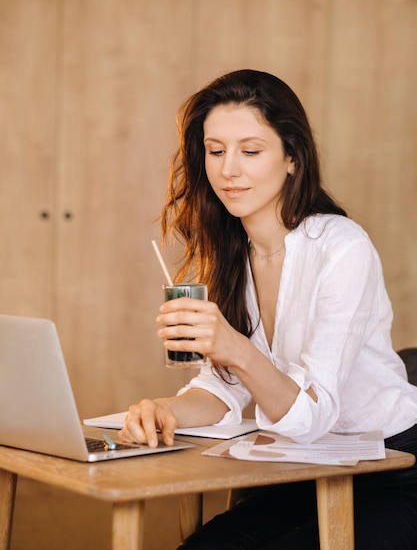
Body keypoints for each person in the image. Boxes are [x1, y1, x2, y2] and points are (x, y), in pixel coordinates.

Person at [120, 70, 417, 549]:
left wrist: (233, 346)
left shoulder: (341, 247)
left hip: (393, 467)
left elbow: (314, 414)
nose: (228, 170)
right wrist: (162, 410)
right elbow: (224, 388)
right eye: (215, 151)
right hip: (307, 465)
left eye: (250, 151)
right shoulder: (232, 251)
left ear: (293, 158)